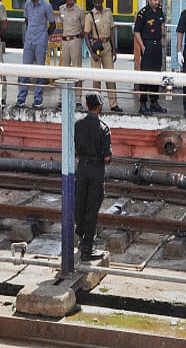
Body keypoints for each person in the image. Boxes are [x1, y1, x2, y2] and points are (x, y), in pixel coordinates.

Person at [74, 92, 112, 261]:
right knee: (92, 209)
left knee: (80, 203)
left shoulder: (78, 125)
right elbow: (107, 157)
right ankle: (87, 249)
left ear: (87, 106)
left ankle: (81, 237)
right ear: (99, 106)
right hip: (96, 170)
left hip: (82, 167)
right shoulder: (103, 128)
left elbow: (76, 150)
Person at [15, 0, 56, 109]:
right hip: (29, 40)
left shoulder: (46, 6)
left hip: (40, 41)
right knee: (25, 70)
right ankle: (21, 99)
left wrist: (44, 35)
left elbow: (52, 24)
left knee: (40, 71)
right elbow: (27, 21)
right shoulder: (27, 5)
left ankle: (38, 99)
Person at [85, 0, 122, 112]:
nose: (97, 4)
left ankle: (113, 104)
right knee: (96, 78)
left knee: (110, 76)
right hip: (96, 47)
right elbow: (86, 35)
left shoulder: (108, 12)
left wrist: (114, 49)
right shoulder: (89, 16)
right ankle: (97, 105)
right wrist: (91, 53)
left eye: (98, 2)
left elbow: (111, 31)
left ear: (103, 0)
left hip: (107, 46)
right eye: (94, 2)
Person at [134, 0, 167, 116]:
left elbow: (162, 23)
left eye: (158, 0)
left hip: (157, 46)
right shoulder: (143, 13)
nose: (157, 2)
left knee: (156, 74)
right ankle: (143, 104)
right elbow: (136, 31)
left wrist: (163, 37)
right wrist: (142, 46)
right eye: (155, 0)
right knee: (146, 76)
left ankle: (154, 102)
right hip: (147, 45)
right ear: (149, 0)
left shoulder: (159, 11)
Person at [55, 0, 85, 112]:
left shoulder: (80, 11)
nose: (71, 2)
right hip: (64, 41)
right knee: (63, 71)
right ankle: (62, 99)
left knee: (77, 70)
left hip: (75, 40)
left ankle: (78, 100)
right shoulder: (61, 9)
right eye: (69, 0)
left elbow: (84, 28)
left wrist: (77, 38)